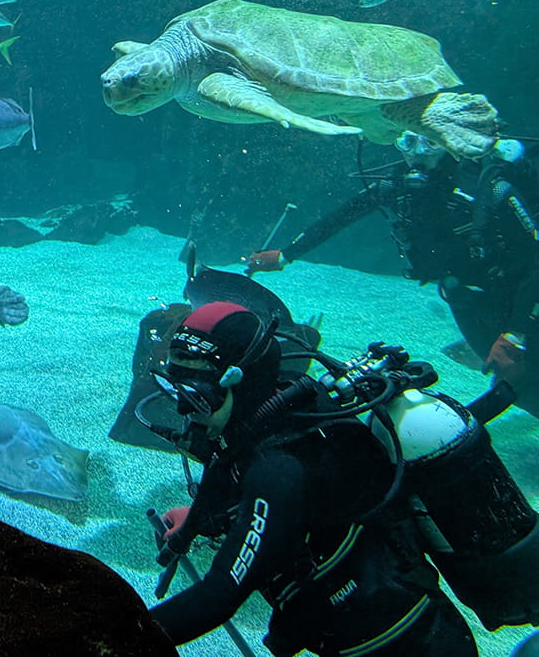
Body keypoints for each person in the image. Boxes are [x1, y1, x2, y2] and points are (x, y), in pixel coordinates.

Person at [146, 301, 477, 655]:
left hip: (407, 648)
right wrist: (197, 521)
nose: (183, 410)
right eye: (176, 391)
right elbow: (253, 488)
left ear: (242, 384)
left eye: (198, 398)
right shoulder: (277, 412)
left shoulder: (277, 470)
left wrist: (118, 636)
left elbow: (219, 595)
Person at [244, 134, 539, 398]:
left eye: (430, 143)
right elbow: (340, 217)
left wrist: (515, 333)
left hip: (520, 294)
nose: (417, 153)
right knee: (510, 380)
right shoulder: (394, 186)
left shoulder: (490, 189)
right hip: (462, 294)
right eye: (408, 142)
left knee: (526, 373)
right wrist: (285, 255)